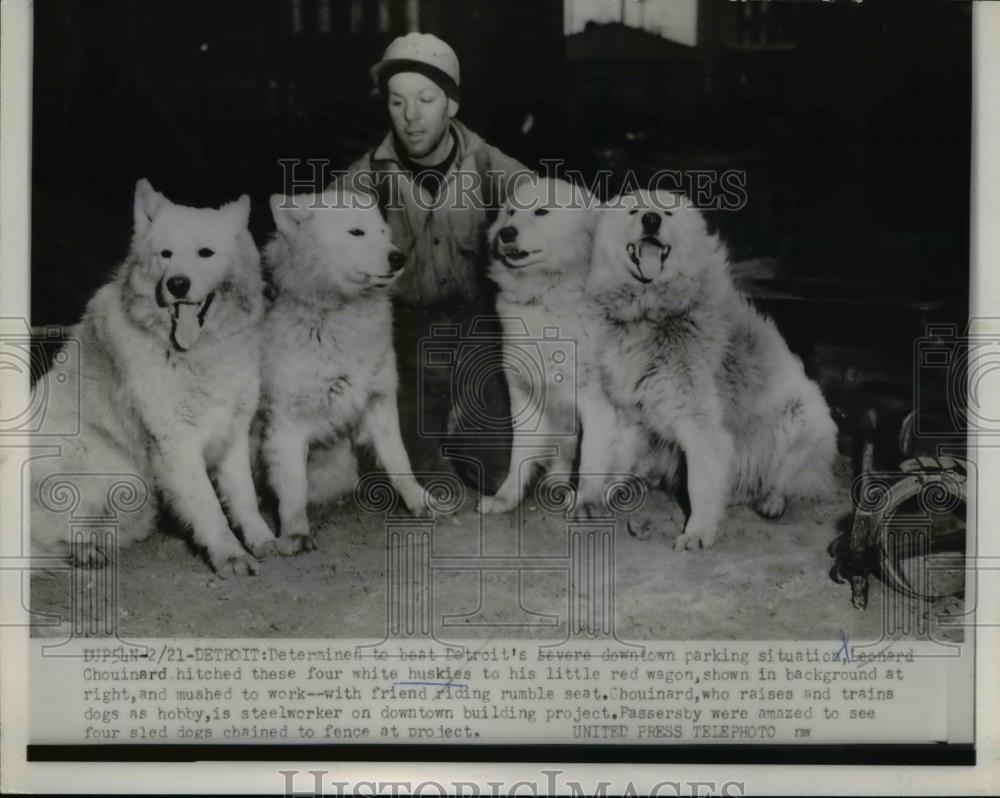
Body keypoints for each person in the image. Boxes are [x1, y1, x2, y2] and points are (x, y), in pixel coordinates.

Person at [334, 33, 532, 494]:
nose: (411, 116)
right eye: (397, 101)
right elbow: (316, 250)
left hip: (479, 329)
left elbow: (556, 216)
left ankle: (468, 423)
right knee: (405, 476)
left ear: (452, 105)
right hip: (404, 337)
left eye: (426, 99)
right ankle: (425, 432)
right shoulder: (361, 181)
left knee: (497, 474)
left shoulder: (491, 167)